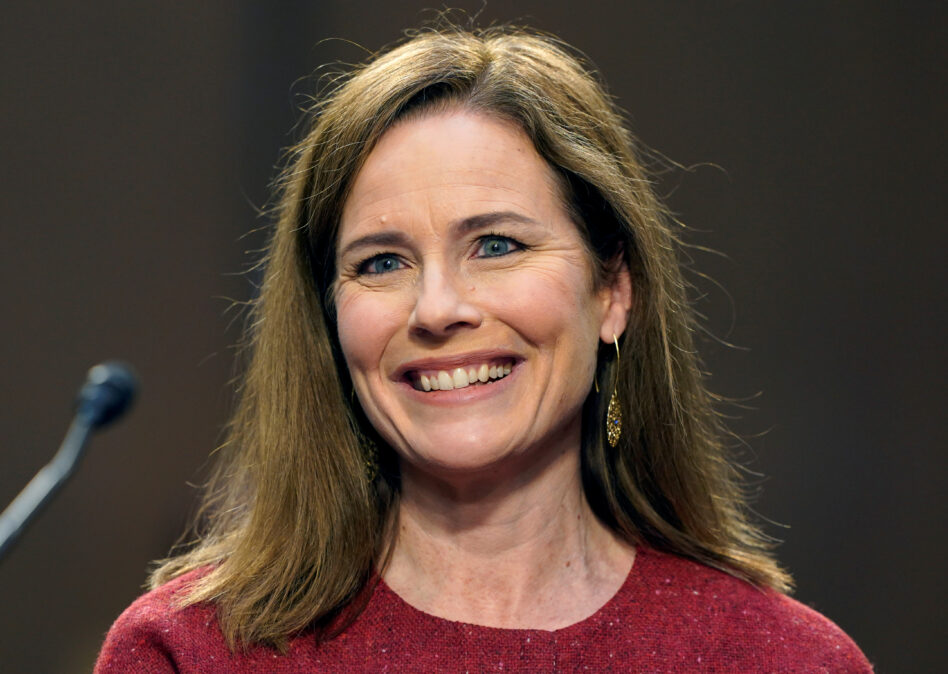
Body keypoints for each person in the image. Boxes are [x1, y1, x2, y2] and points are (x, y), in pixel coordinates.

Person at [95, 25, 872, 672]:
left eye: (496, 244)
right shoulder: (189, 653)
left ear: (612, 292)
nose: (438, 309)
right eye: (381, 262)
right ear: (328, 318)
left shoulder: (783, 659)